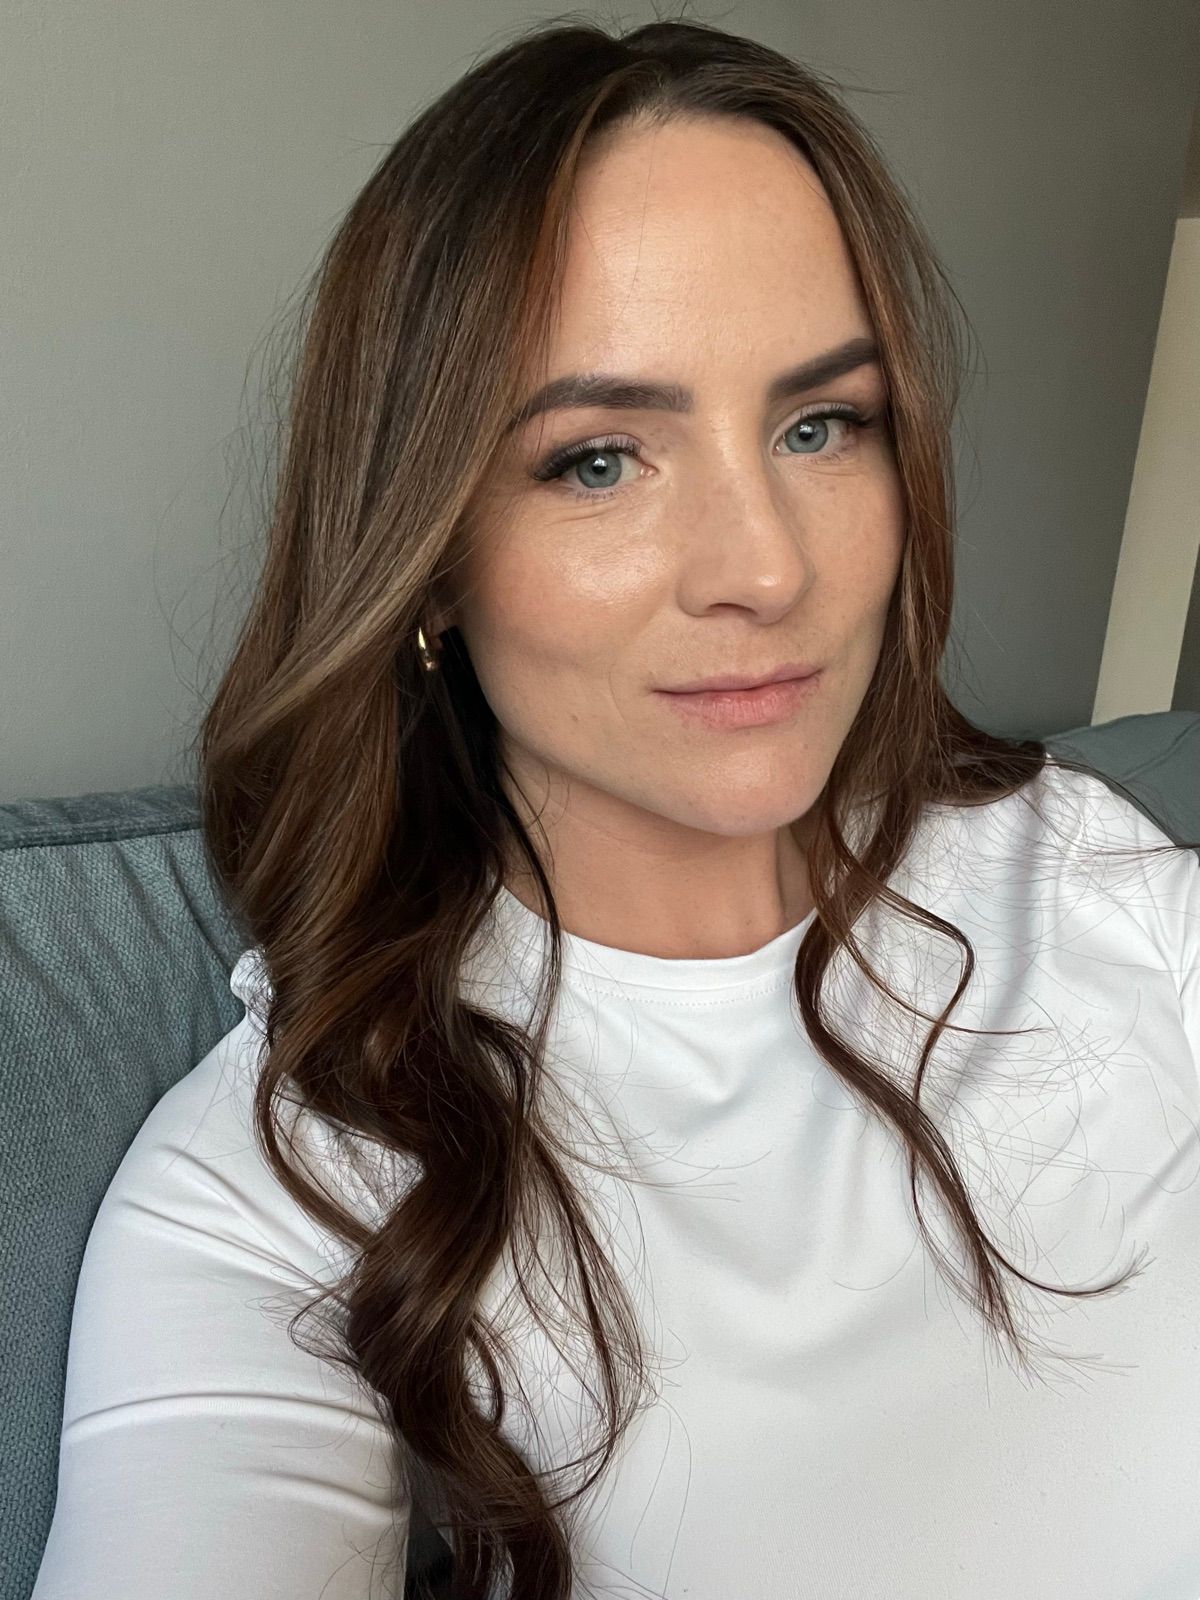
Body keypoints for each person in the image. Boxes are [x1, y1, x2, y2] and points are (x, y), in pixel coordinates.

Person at [31, 15, 1200, 1600]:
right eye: (597, 461)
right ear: (427, 556)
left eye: (820, 426)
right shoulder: (293, 1193)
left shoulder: (1092, 881)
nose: (766, 568)